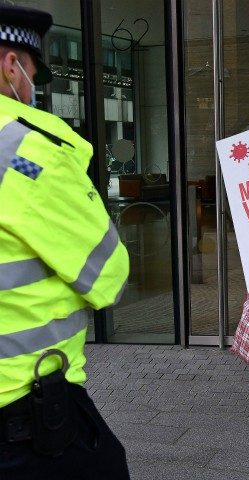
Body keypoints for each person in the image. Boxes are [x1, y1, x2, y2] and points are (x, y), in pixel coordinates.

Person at [0, 5, 131, 479]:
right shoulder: (25, 152)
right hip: (23, 413)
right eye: (33, 71)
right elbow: (107, 276)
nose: (33, 86)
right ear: (12, 65)